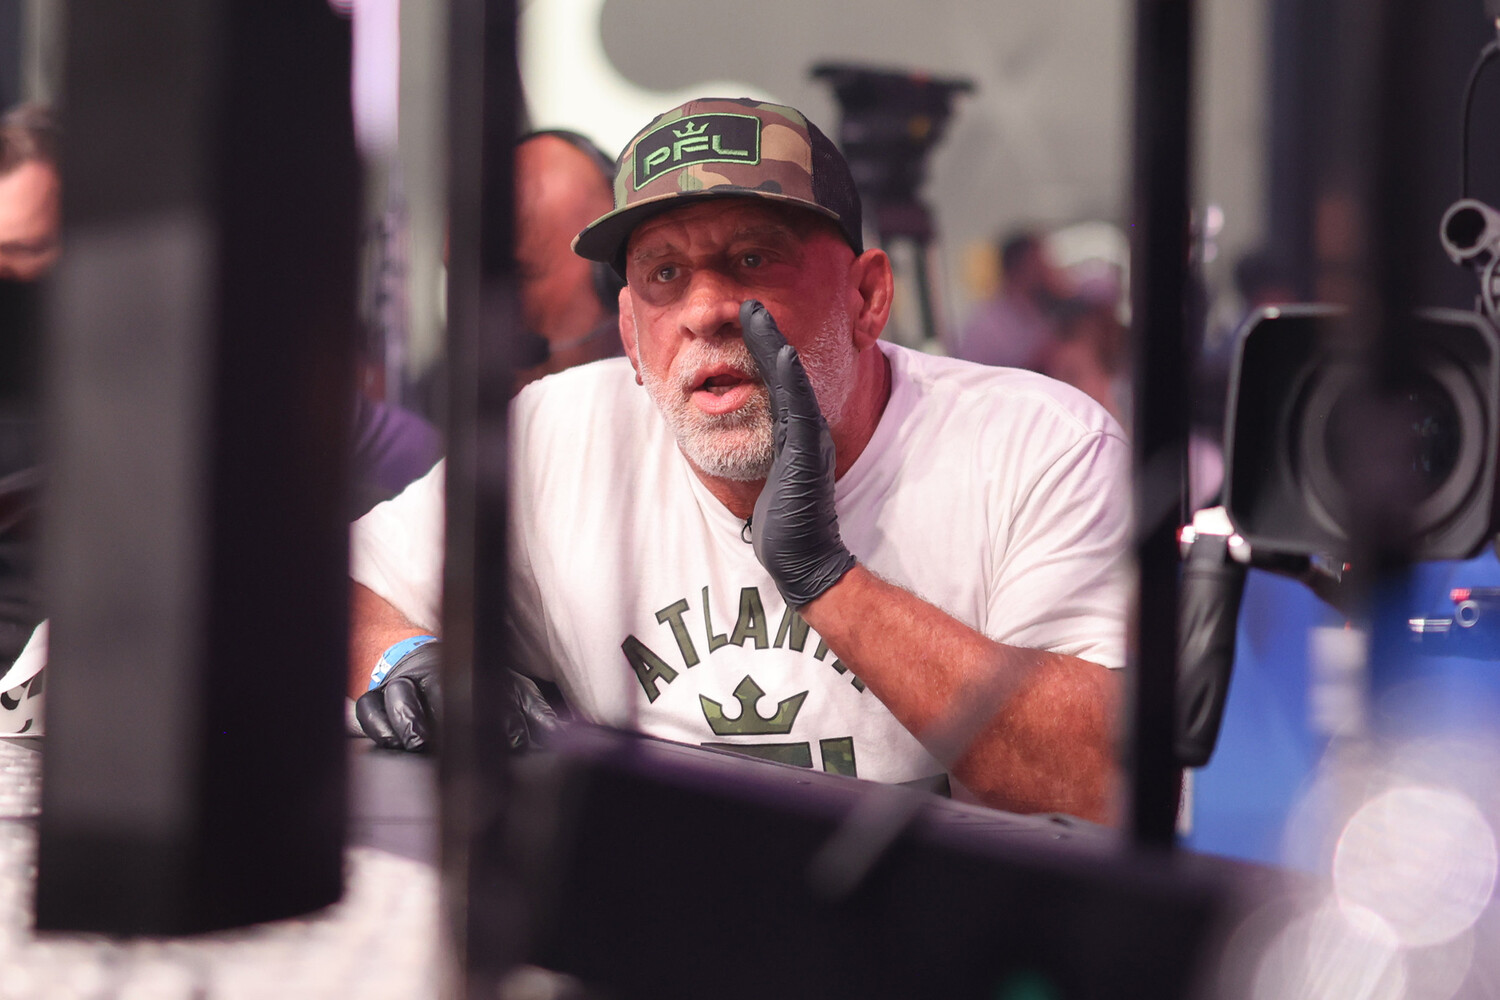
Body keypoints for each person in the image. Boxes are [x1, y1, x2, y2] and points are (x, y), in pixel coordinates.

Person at [351, 98, 1131, 822]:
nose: (705, 311)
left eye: (754, 260)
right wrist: (408, 659)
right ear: (629, 333)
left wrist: (828, 580)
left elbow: (1101, 777)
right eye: (664, 274)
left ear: (866, 298)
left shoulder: (1038, 447)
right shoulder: (558, 434)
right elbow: (346, 596)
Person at [954, 229, 1068, 371]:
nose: (1048, 269)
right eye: (1041, 262)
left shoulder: (1043, 311)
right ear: (1021, 269)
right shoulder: (985, 327)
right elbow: (973, 375)